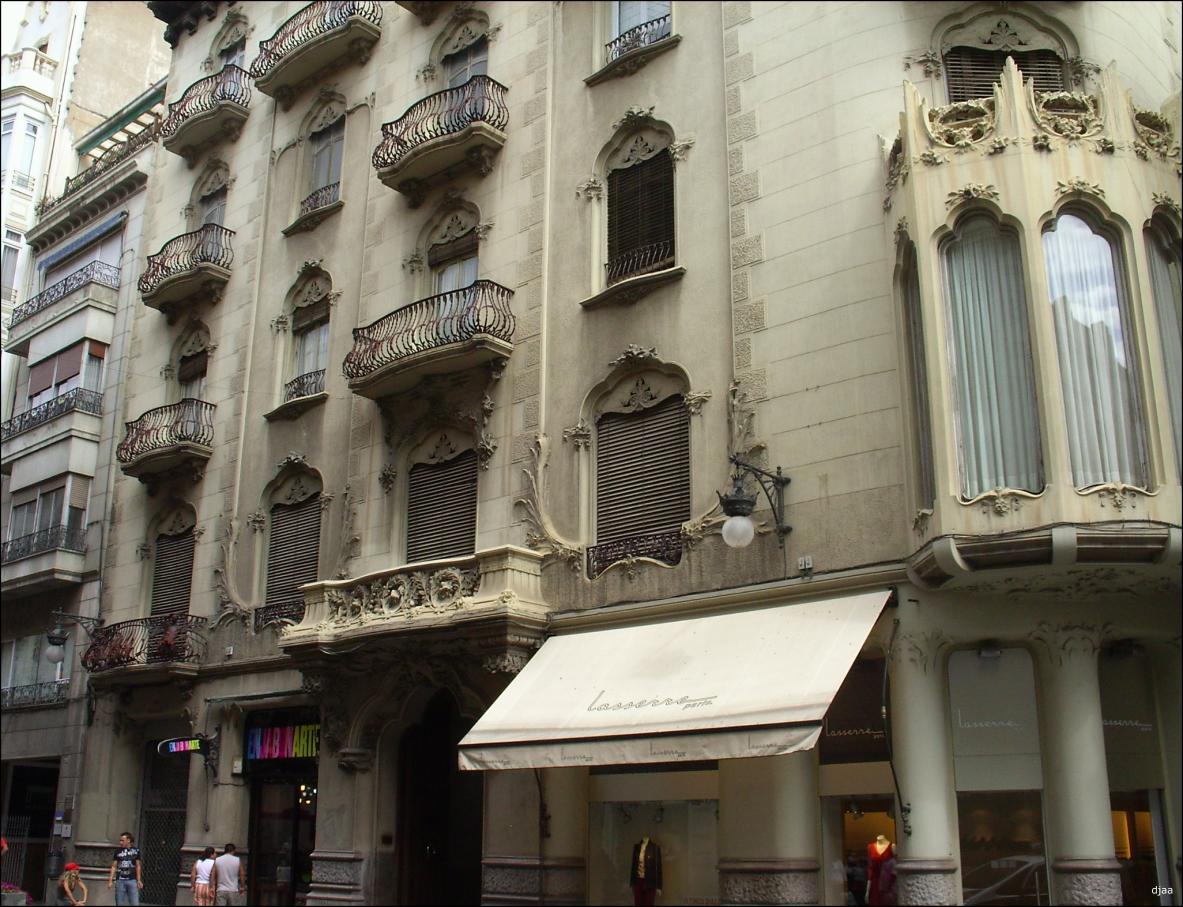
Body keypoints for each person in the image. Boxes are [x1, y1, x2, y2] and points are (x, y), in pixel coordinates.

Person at [108, 832, 144, 906]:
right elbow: (114, 866)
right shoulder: (118, 851)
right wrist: (110, 880)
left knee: (134, 902)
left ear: (128, 840)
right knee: (119, 902)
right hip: (120, 880)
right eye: (120, 840)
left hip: (132, 880)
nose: (120, 842)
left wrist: (138, 880)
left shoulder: (136, 851)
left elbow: (138, 866)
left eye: (122, 840)